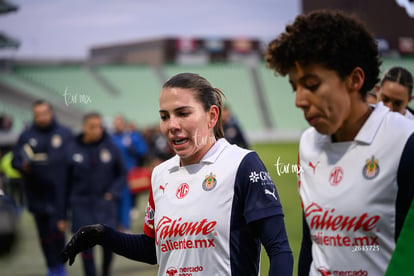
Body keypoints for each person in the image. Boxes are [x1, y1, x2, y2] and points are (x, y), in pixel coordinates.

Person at [61, 73, 293, 276]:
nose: (171, 125)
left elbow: (278, 247)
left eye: (182, 113)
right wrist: (104, 235)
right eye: (165, 116)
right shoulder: (161, 174)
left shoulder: (242, 164)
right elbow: (153, 249)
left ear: (212, 116)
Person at [265, 10, 414, 275]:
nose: (299, 100)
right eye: (294, 86)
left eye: (311, 84)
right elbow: (312, 243)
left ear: (354, 80)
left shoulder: (405, 142)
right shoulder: (308, 144)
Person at [12, 100, 71, 276]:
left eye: (44, 113)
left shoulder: (65, 134)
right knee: (44, 234)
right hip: (36, 194)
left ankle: (60, 266)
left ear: (51, 113)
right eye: (37, 114)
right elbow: (15, 160)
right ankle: (51, 266)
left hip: (59, 194)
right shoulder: (26, 135)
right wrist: (22, 165)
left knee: (58, 231)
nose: (41, 117)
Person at [64, 112, 126, 276]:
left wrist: (112, 193)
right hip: (81, 205)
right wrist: (66, 206)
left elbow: (122, 174)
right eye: (93, 127)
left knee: (109, 244)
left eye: (99, 126)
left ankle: (106, 271)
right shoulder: (72, 148)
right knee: (85, 248)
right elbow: (64, 180)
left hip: (105, 204)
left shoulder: (110, 147)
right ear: (84, 128)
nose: (97, 130)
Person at [111, 115, 148, 231]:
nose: (117, 125)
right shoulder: (110, 138)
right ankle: (114, 225)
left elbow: (143, 150)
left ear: (124, 124)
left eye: (119, 122)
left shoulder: (131, 137)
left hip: (128, 175)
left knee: (127, 202)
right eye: (115, 123)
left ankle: (125, 226)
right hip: (113, 176)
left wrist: (132, 146)